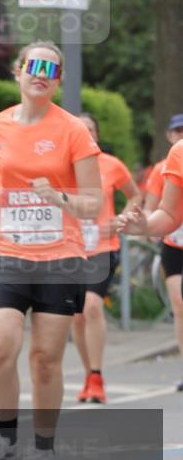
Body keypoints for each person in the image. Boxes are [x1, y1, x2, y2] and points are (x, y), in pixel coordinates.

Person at [0, 41, 102, 460]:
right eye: (33, 65)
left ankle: (44, 449)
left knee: (46, 359)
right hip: (5, 251)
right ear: (17, 71)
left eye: (51, 68)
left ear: (58, 79)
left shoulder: (72, 130)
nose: (40, 73)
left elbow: (94, 202)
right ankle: (6, 439)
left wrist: (60, 196)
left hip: (59, 257)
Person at [71, 113, 141, 404]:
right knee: (76, 315)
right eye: (79, 130)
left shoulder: (111, 165)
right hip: (71, 247)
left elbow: (135, 196)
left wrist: (122, 218)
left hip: (102, 246)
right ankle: (89, 375)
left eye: (89, 130)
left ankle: (97, 375)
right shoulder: (62, 165)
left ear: (97, 136)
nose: (85, 135)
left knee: (92, 307)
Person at [127, 118, 183, 390]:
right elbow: (169, 212)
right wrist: (144, 224)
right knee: (180, 305)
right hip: (175, 244)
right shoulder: (178, 155)